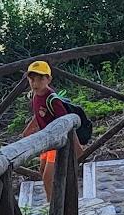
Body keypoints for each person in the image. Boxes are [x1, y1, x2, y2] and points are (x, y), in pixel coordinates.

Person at [20, 60, 81, 204]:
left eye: (41, 78)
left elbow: (67, 122)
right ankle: (52, 200)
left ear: (48, 79)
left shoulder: (52, 99)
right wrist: (28, 130)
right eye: (32, 79)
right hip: (46, 141)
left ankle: (53, 205)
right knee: (42, 170)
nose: (35, 83)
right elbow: (38, 115)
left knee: (48, 175)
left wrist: (77, 146)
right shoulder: (35, 97)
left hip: (57, 141)